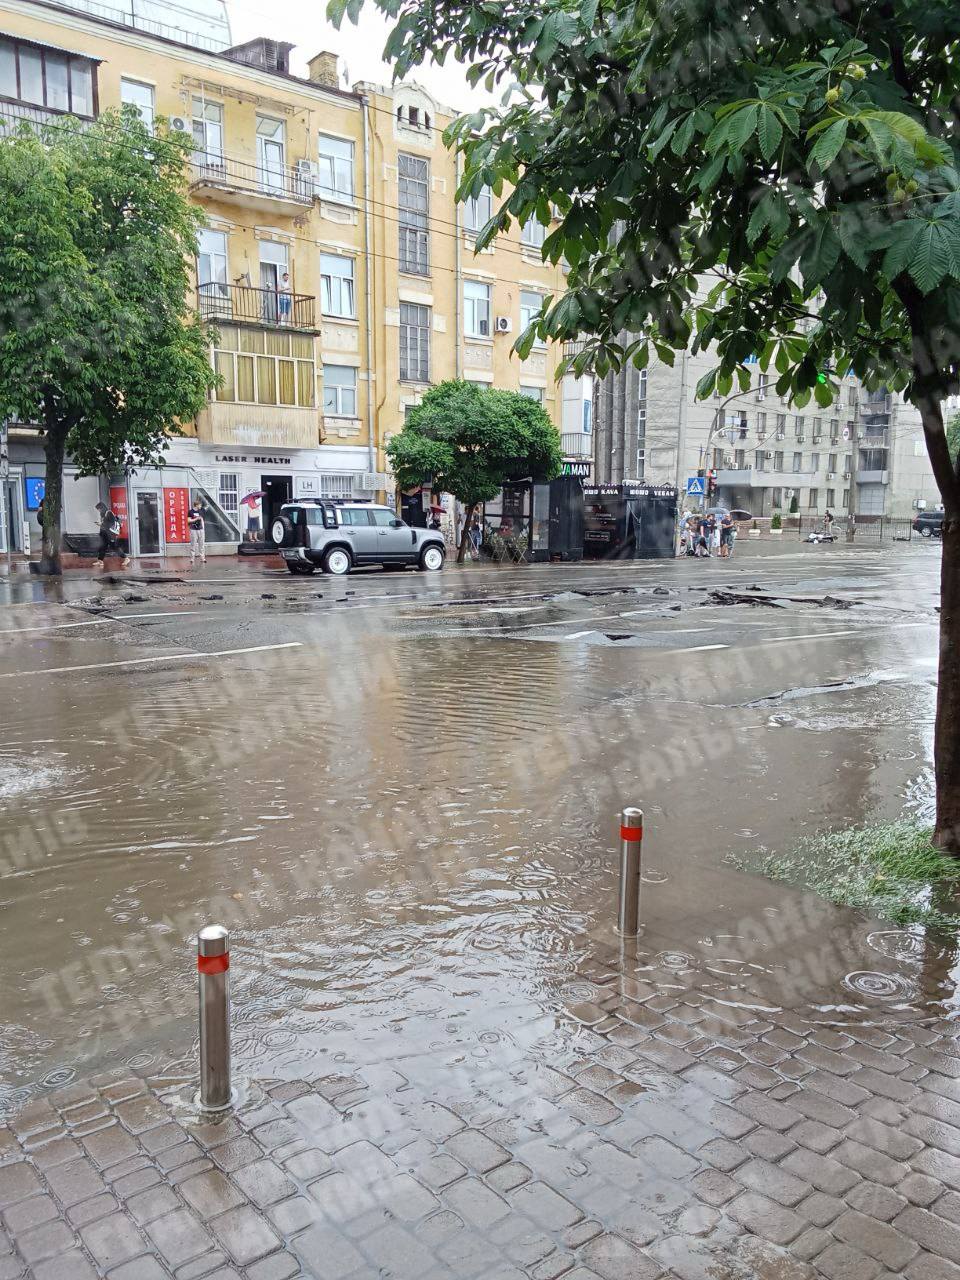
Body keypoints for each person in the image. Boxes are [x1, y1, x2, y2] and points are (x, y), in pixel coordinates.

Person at [94, 501, 129, 569]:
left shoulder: (109, 513)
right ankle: (100, 561)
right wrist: (101, 525)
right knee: (103, 546)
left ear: (102, 508)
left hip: (110, 534)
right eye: (98, 509)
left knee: (114, 546)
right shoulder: (103, 514)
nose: (98, 510)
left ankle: (126, 558)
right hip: (104, 533)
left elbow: (111, 523)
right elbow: (105, 523)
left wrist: (101, 524)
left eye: (99, 509)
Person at [188, 499, 206, 567]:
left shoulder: (201, 511)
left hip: (201, 530)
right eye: (200, 505)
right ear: (197, 505)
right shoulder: (190, 511)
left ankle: (202, 558)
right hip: (193, 530)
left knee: (202, 544)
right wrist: (196, 519)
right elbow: (189, 520)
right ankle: (192, 558)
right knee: (193, 544)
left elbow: (202, 520)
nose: (201, 506)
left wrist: (203, 529)